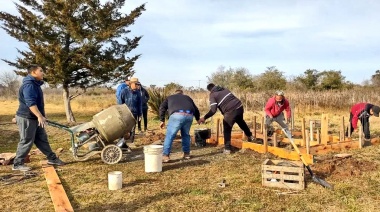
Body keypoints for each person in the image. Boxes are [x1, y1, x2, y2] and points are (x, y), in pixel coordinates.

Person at [13, 64, 65, 171]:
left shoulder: (35, 85)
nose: (43, 73)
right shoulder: (29, 86)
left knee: (42, 139)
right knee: (27, 140)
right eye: (40, 71)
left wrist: (40, 116)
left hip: (34, 118)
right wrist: (39, 116)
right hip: (28, 117)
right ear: (33, 73)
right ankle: (17, 164)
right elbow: (30, 103)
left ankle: (52, 158)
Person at [199, 83, 254, 154]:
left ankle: (227, 149)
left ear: (210, 90)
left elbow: (213, 110)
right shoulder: (224, 89)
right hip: (239, 107)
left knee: (227, 129)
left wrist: (204, 117)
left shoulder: (212, 95)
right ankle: (250, 136)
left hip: (230, 111)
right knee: (240, 121)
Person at [159, 89, 200, 162]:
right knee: (186, 135)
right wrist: (198, 119)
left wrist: (162, 120)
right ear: (182, 93)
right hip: (189, 115)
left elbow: (162, 107)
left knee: (170, 135)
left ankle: (165, 156)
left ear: (175, 93)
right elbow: (196, 109)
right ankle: (187, 154)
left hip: (177, 115)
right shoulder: (188, 98)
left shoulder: (170, 97)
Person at [118, 77, 142, 147]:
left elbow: (139, 104)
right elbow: (120, 103)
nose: (137, 86)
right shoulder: (124, 91)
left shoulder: (138, 93)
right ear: (131, 84)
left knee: (132, 129)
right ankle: (121, 144)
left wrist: (140, 114)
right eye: (136, 84)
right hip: (125, 114)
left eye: (138, 84)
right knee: (123, 129)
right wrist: (120, 113)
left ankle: (131, 143)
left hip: (134, 114)